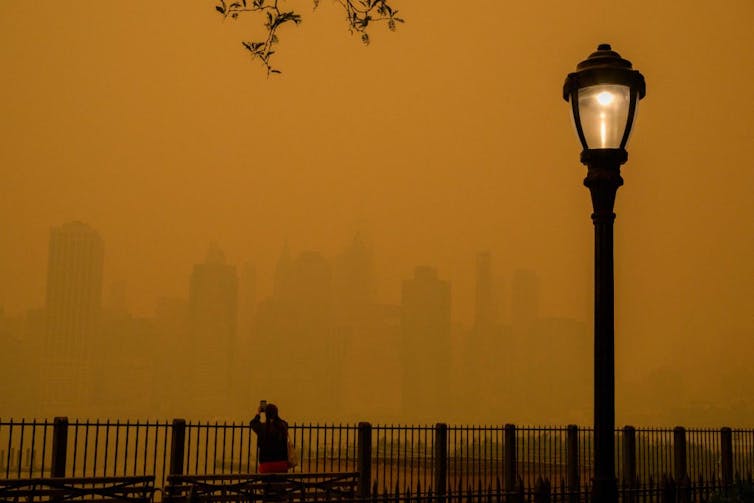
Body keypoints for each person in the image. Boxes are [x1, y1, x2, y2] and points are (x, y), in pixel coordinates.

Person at [251, 402, 290, 473]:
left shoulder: (262, 428)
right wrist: (275, 416)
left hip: (266, 466)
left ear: (266, 414)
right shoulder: (283, 426)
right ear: (276, 413)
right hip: (281, 466)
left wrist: (258, 413)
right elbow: (285, 422)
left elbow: (253, 423)